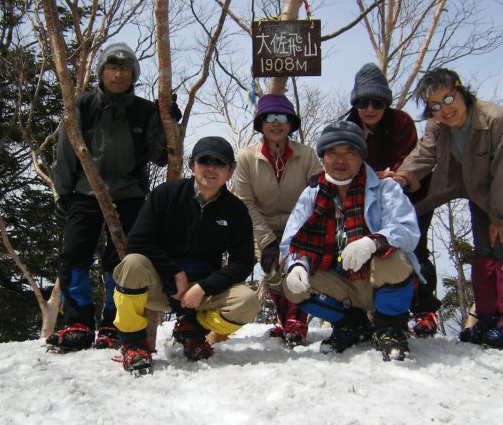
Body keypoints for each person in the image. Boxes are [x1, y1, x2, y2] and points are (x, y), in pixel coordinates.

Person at [389, 68, 503, 350]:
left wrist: (500, 216)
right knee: (483, 256)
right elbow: (425, 152)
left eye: (448, 99)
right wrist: (402, 176)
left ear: (461, 92)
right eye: (434, 106)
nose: (444, 110)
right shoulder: (438, 126)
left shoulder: (497, 120)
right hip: (480, 194)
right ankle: (487, 319)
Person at [47, 42, 168, 352]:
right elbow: (64, 152)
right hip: (85, 192)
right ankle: (78, 321)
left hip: (129, 194)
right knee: (75, 253)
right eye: (112, 68)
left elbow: (160, 157)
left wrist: (169, 121)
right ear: (101, 73)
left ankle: (114, 322)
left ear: (134, 75)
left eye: (125, 69)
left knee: (124, 260)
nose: (118, 75)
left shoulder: (144, 111)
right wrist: (62, 194)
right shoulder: (82, 107)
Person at [112, 136, 259, 373]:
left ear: (230, 171)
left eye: (219, 163)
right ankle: (133, 344)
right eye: (204, 161)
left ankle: (192, 331)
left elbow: (243, 262)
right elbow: (137, 240)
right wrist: (175, 272)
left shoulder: (236, 211)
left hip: (202, 293)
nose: (211, 168)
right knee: (132, 264)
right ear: (192, 166)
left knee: (247, 301)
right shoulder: (167, 194)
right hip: (160, 284)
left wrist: (204, 287)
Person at [280, 121, 422, 361]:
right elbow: (291, 242)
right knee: (292, 285)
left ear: (361, 157)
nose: (340, 160)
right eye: (332, 153)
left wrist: (373, 242)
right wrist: (296, 265)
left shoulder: (384, 188)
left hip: (377, 280)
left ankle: (390, 327)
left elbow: (408, 231)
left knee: (394, 260)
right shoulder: (313, 194)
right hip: (340, 282)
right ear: (323, 158)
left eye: (350, 153)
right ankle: (352, 325)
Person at [345, 63, 441, 337]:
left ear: (386, 102)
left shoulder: (401, 121)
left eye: (377, 102)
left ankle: (424, 310)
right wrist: (370, 177)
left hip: (408, 194)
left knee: (415, 247)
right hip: (364, 197)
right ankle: (372, 310)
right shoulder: (349, 126)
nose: (370, 108)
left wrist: (393, 175)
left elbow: (410, 159)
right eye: (363, 102)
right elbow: (342, 161)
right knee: (365, 250)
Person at [233, 94, 322, 347]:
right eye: (269, 117)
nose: (276, 123)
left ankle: (297, 322)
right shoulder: (246, 158)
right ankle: (288, 323)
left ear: (291, 123)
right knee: (273, 270)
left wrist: (299, 235)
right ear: (260, 122)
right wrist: (267, 241)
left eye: (283, 117)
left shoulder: (306, 156)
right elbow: (245, 203)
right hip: (262, 226)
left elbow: (319, 197)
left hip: (300, 226)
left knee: (299, 266)